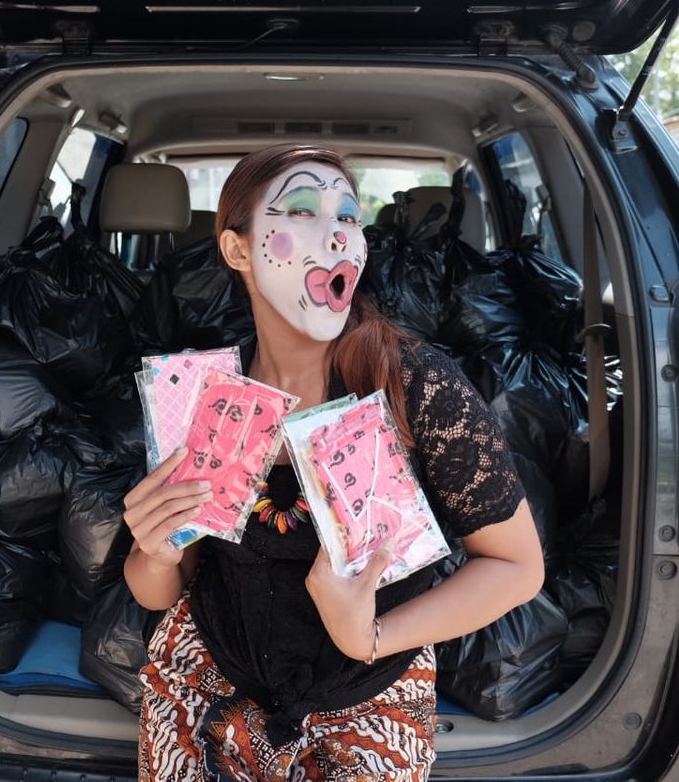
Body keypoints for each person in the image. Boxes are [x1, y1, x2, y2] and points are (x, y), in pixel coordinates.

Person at [123, 143, 544, 781]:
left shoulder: (414, 386)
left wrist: (368, 636)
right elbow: (163, 587)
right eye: (300, 212)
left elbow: (517, 566)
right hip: (207, 677)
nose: (337, 237)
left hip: (368, 691)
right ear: (238, 250)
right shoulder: (208, 393)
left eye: (347, 218)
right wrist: (151, 552)